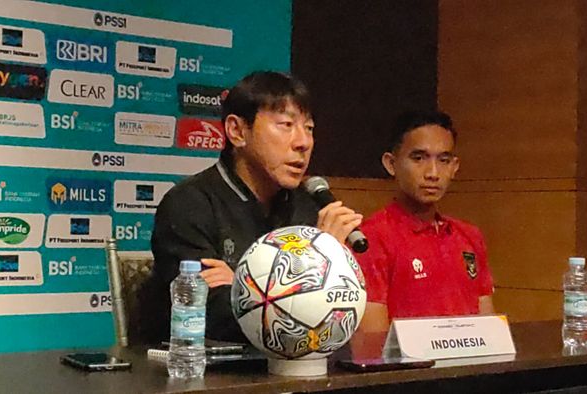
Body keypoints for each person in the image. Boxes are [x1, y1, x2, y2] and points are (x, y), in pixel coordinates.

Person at [138, 71, 363, 344]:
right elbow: (213, 316)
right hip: (207, 375)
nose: (303, 142)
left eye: (309, 128)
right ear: (237, 131)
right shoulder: (189, 204)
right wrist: (318, 259)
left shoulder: (308, 206)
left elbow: (338, 317)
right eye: (286, 124)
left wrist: (242, 286)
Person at [355, 110, 494, 333]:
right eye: (418, 158)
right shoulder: (368, 239)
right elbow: (372, 345)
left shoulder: (470, 236)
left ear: (455, 167)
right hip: (408, 368)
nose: (432, 173)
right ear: (391, 164)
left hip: (471, 366)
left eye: (444, 160)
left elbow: (488, 331)